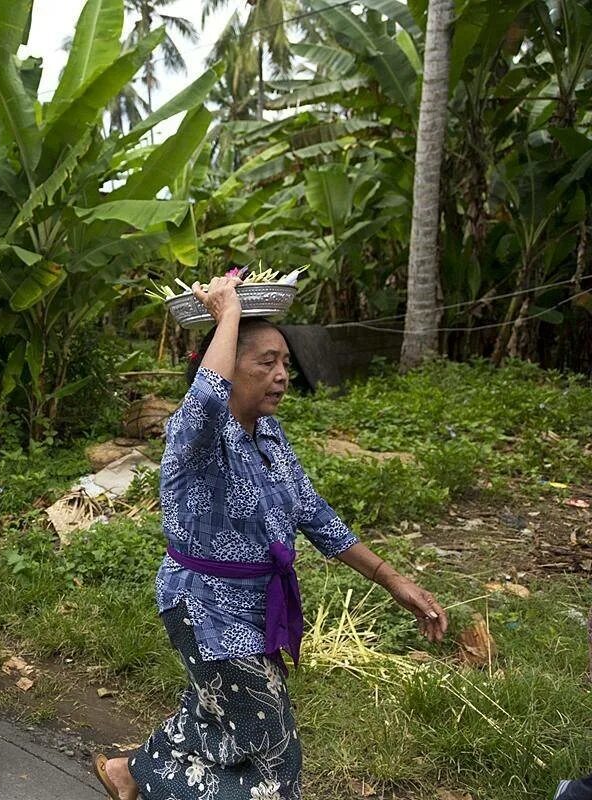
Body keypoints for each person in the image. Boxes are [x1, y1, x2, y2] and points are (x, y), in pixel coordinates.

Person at [93, 275, 448, 800]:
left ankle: (129, 773)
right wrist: (228, 312)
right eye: (266, 363)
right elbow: (205, 400)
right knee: (272, 742)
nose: (283, 375)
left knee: (215, 706)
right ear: (227, 363)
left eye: (285, 362)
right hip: (205, 606)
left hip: (258, 606)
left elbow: (315, 514)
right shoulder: (195, 437)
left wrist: (393, 580)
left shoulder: (269, 435)